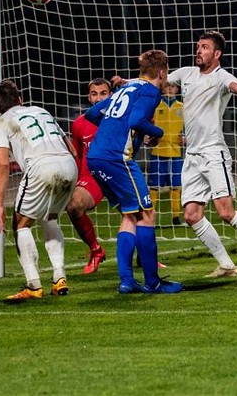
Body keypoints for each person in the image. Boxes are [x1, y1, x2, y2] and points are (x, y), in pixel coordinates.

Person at [165, 30, 237, 279]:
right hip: (192, 156)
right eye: (198, 46)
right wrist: (128, 84)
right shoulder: (185, 73)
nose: (198, 50)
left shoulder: (220, 77)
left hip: (213, 154)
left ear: (216, 54)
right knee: (191, 215)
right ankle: (226, 265)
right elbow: (157, 82)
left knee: (226, 213)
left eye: (204, 47)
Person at [86, 49, 182, 294]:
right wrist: (157, 133)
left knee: (130, 216)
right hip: (117, 159)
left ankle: (127, 281)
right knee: (147, 215)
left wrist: (114, 128)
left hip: (96, 157)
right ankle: (153, 282)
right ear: (162, 72)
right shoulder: (150, 92)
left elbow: (93, 113)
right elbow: (136, 120)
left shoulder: (125, 89)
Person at [0, 80, 78, 300]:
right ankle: (59, 277)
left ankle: (33, 285)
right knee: (49, 217)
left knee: (21, 224)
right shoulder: (41, 110)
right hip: (69, 164)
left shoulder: (1, 122)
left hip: (41, 167)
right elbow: (72, 149)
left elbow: (2, 164)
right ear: (20, 99)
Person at [66, 78, 111, 274]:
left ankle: (147, 258)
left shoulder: (120, 117)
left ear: (111, 95)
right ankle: (96, 250)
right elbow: (76, 155)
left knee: (142, 213)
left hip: (119, 173)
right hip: (92, 177)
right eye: (94, 93)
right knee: (73, 206)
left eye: (103, 93)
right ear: (88, 97)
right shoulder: (79, 124)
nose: (98, 98)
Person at [149, 82, 185, 224]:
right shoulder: (155, 106)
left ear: (177, 89)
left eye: (173, 86)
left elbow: (190, 128)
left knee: (176, 185)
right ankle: (150, 218)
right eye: (167, 86)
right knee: (154, 187)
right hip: (158, 151)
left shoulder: (182, 107)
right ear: (162, 88)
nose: (170, 89)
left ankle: (176, 217)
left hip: (176, 152)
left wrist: (186, 137)